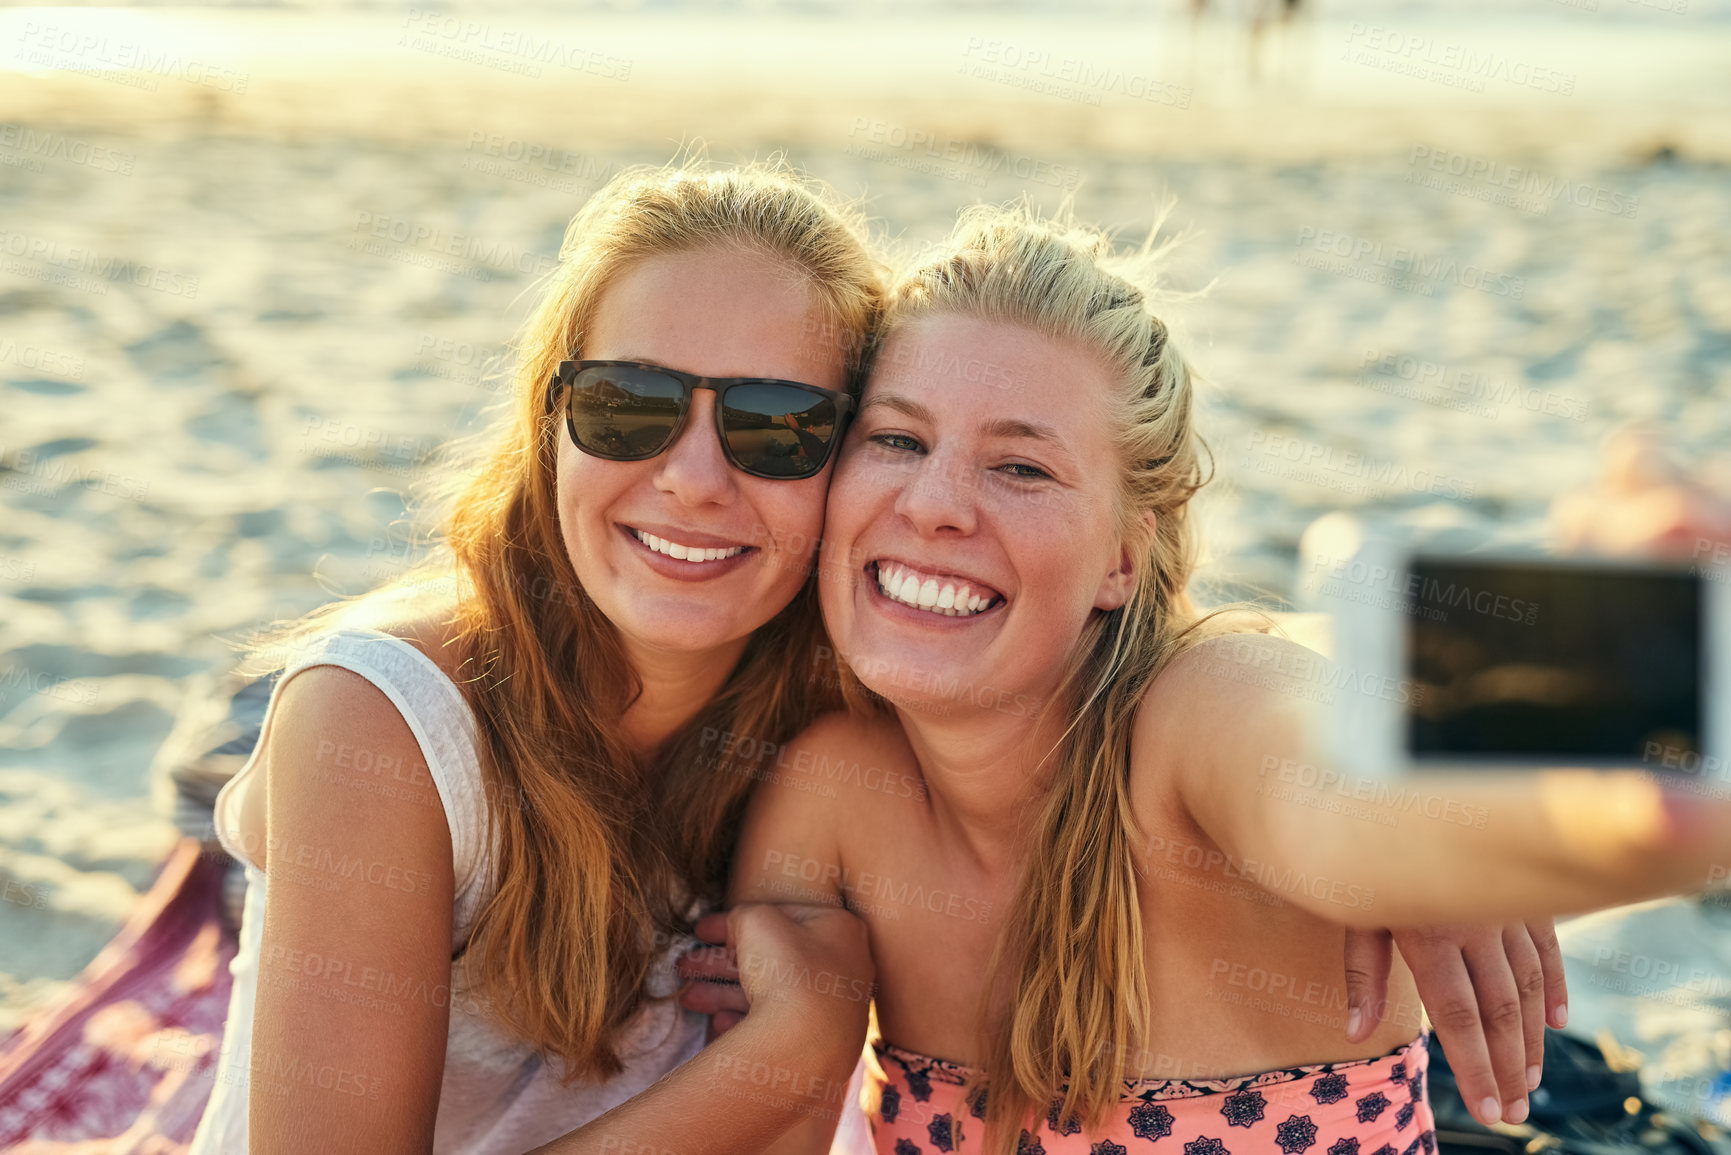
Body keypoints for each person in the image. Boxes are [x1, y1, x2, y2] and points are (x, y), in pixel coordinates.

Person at [703, 202, 1731, 1153]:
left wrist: (1618, 722)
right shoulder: (831, 792)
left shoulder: (1194, 723)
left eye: (1022, 467)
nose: (934, 504)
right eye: (897, 438)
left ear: (1124, 557)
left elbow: (1344, 799)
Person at [188, 160, 884, 1155]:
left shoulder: (852, 736)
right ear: (551, 421)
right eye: (629, 405)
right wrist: (789, 1049)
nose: (692, 479)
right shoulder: (385, 723)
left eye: (777, 428)